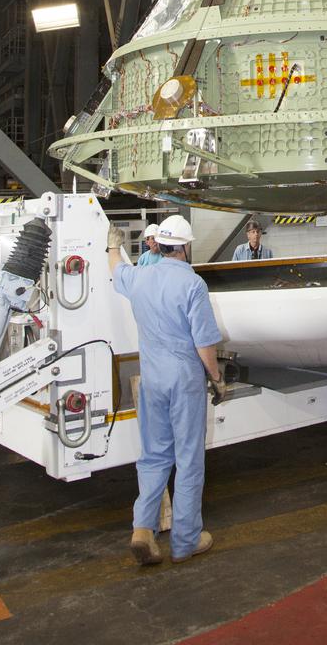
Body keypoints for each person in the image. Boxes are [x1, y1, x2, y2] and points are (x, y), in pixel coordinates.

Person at [108, 213, 226, 565]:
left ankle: (143, 528)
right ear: (186, 247)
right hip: (184, 379)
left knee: (154, 456)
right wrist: (217, 378)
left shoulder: (140, 276)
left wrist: (111, 245)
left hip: (152, 378)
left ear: (158, 243)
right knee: (189, 459)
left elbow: (116, 268)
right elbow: (204, 344)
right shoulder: (193, 285)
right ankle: (186, 541)